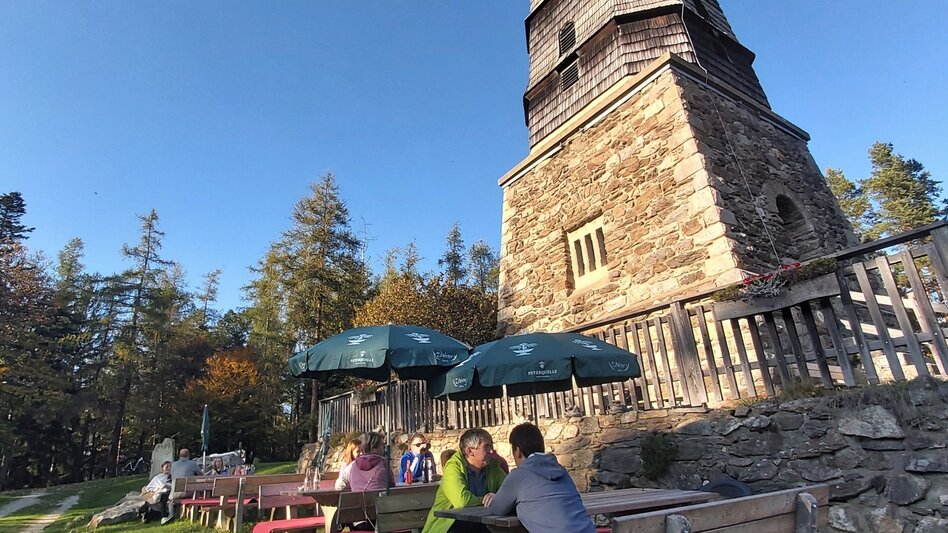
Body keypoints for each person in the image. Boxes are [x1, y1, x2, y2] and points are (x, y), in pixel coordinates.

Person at [487, 423, 595, 533]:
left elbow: (496, 509)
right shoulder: (562, 471)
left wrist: (496, 498)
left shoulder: (519, 475)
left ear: (518, 451)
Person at [422, 428, 506, 533]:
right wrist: (487, 500)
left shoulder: (492, 466)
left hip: (479, 523)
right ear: (470, 451)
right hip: (448, 525)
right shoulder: (453, 467)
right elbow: (462, 501)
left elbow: (510, 489)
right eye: (486, 446)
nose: (491, 451)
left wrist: (496, 496)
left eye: (491, 446)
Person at [167, 448, 202, 524]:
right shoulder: (193, 464)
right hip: (190, 493)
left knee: (170, 500)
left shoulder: (173, 465)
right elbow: (201, 475)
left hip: (175, 493)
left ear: (179, 455)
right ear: (188, 455)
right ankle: (197, 515)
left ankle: (171, 515)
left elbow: (171, 476)